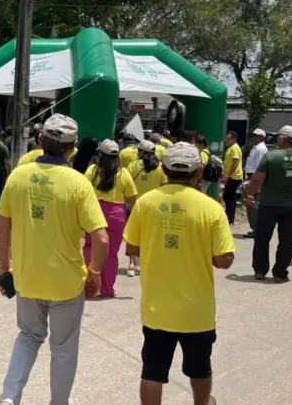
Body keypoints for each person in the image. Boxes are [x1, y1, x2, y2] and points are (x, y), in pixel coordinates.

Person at [0, 114, 109, 405]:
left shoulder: (18, 175)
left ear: (41, 141)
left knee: (28, 337)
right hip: (67, 283)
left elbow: (2, 225)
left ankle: (9, 399)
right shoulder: (78, 183)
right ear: (72, 148)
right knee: (63, 349)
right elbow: (101, 238)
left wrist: (4, 268)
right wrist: (95, 272)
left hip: (27, 278)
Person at [124, 142, 235, 405]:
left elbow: (131, 247)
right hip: (197, 311)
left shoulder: (145, 203)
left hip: (157, 308)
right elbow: (224, 261)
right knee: (200, 368)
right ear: (199, 171)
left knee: (152, 371)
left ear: (164, 168)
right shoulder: (211, 208)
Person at [245, 126, 292, 282]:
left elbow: (257, 179)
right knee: (287, 240)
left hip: (268, 204)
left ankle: (260, 270)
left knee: (262, 238)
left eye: (279, 137)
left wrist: (250, 194)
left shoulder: (270, 157)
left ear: (284, 138)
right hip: (291, 206)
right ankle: (280, 273)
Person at [82, 139, 138, 297]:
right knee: (111, 253)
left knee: (90, 248)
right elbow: (131, 200)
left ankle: (90, 288)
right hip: (116, 214)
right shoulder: (124, 173)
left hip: (94, 212)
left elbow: (82, 194)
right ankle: (107, 290)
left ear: (100, 154)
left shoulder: (92, 171)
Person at [126, 140, 168, 276]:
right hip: (155, 206)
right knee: (152, 234)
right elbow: (165, 186)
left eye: (139, 151)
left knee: (133, 234)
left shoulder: (133, 165)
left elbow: (127, 184)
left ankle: (132, 264)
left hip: (135, 205)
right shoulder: (160, 167)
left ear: (142, 152)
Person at [243, 129, 268, 238]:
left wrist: (252, 181)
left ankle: (257, 229)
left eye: (256, 136)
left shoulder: (260, 149)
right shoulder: (257, 148)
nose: (254, 138)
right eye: (253, 136)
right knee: (252, 203)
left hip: (254, 177)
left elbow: (259, 167)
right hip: (252, 176)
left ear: (262, 137)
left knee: (252, 202)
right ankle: (256, 228)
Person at [222, 131, 244, 224]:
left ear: (234, 139)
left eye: (228, 139)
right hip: (232, 176)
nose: (226, 140)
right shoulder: (230, 148)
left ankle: (229, 218)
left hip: (233, 177)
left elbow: (235, 163)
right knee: (229, 197)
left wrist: (227, 175)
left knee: (229, 198)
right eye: (226, 138)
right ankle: (229, 216)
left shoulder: (234, 148)